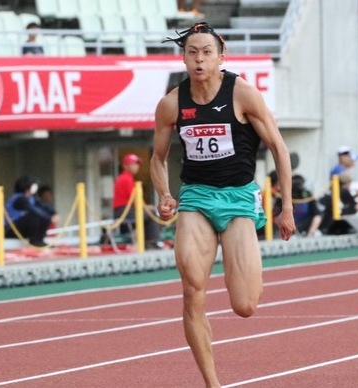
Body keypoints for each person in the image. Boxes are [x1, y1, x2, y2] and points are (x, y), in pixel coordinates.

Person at [151, 22, 295, 387]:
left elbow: (278, 147)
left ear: (221, 56)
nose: (199, 60)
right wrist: (165, 194)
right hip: (196, 197)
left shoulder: (243, 94)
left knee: (245, 306)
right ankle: (212, 383)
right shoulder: (172, 103)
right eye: (192, 53)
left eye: (206, 53)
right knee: (191, 291)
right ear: (183, 58)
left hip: (238, 197)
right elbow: (157, 157)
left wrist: (287, 207)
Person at [113, 153, 161, 249]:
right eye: (134, 164)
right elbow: (135, 199)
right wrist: (147, 208)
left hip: (124, 210)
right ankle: (151, 242)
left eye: (137, 164)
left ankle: (148, 242)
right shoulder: (126, 179)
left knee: (149, 212)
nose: (137, 166)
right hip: (124, 211)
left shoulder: (126, 178)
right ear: (125, 166)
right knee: (151, 212)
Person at [5, 176, 59, 247]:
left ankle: (39, 240)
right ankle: (35, 241)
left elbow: (44, 207)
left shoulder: (32, 198)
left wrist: (54, 213)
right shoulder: (19, 199)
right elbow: (32, 210)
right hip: (12, 229)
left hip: (22, 228)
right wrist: (48, 218)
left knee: (43, 216)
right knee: (34, 216)